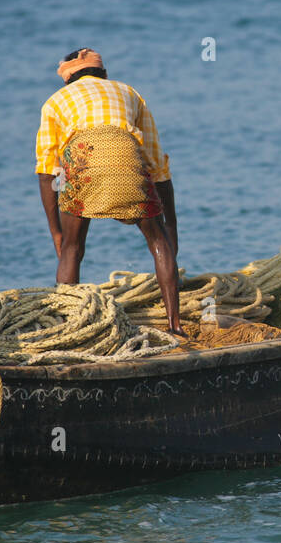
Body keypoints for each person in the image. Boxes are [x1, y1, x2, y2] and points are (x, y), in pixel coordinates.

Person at [35, 47, 183, 335]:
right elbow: (155, 162)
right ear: (103, 73)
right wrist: (170, 223)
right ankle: (175, 325)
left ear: (68, 80)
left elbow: (46, 171)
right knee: (157, 241)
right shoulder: (129, 93)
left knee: (72, 249)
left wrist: (57, 233)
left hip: (82, 162)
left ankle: (68, 330)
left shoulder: (55, 102)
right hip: (127, 158)